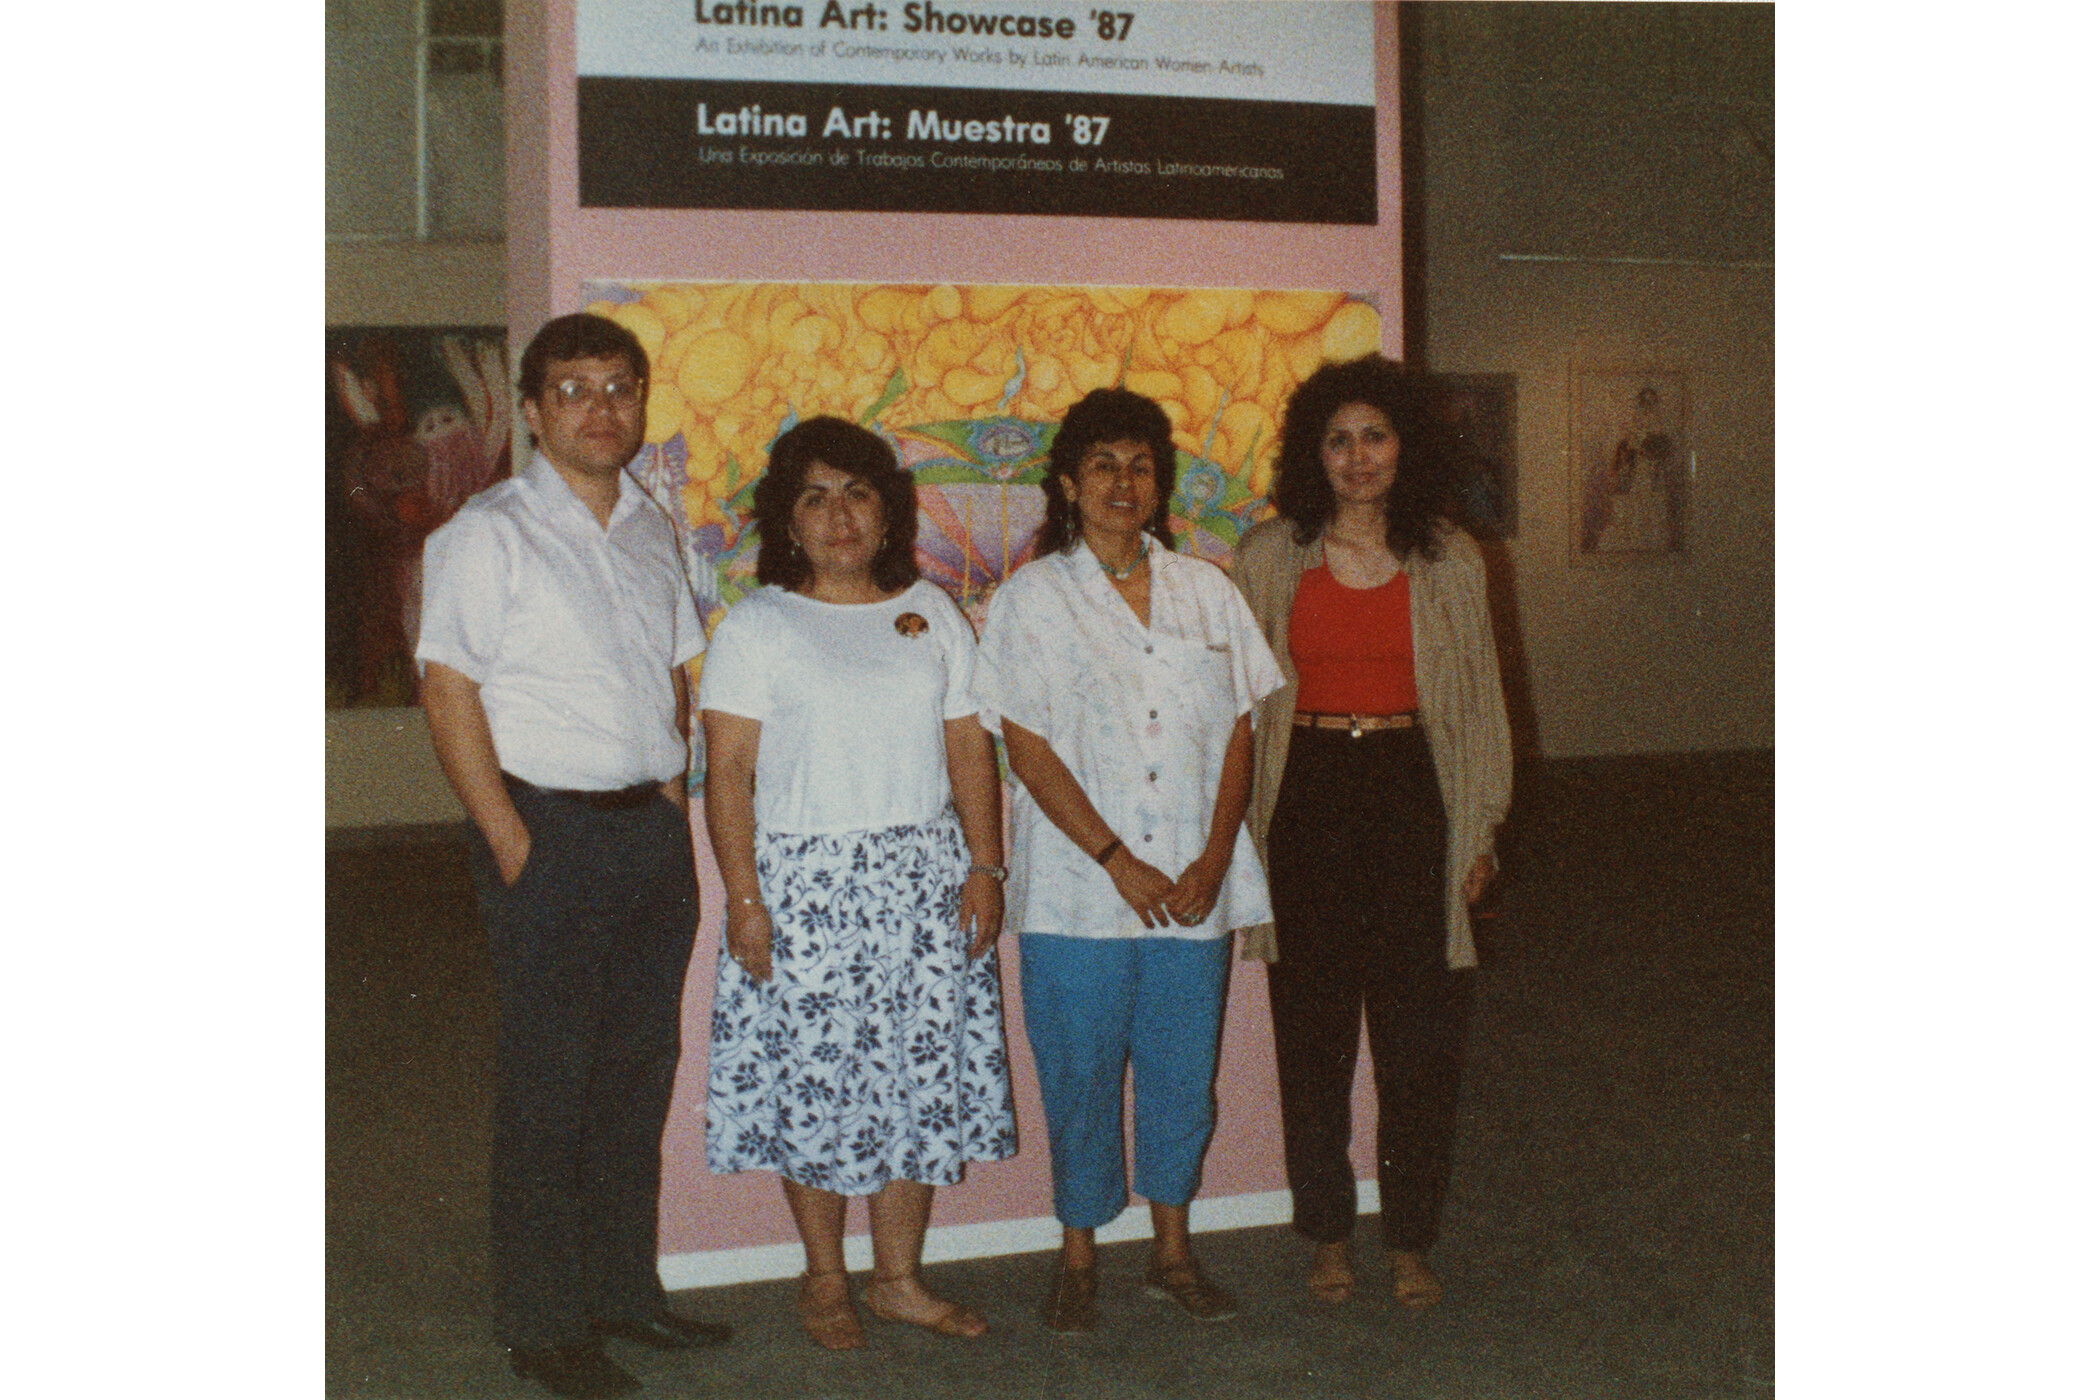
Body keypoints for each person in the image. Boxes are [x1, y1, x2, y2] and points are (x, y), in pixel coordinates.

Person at [417, 313, 731, 1400]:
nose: (603, 407)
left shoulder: (651, 524)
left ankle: (619, 1290)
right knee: (550, 1084)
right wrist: (508, 832)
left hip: (645, 832)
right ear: (539, 408)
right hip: (545, 831)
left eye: (621, 386)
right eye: (576, 388)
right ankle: (544, 1324)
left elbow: (681, 663)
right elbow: (447, 685)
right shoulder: (486, 532)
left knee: (635, 1072)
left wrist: (666, 782)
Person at [698, 416, 1016, 1351]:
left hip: (923, 882)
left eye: (859, 493)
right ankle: (827, 1278)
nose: (839, 515)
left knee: (918, 1083)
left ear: (888, 512)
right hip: (804, 889)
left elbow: (969, 746)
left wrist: (986, 868)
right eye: (814, 496)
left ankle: (899, 1281)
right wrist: (744, 900)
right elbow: (729, 775)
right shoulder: (758, 626)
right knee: (817, 1086)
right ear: (787, 521)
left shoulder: (932, 613)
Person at [975, 388, 1283, 1333]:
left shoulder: (1207, 591)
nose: (1123, 482)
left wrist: (1214, 853)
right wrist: (1114, 857)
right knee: (1078, 1072)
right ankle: (1077, 1257)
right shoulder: (1032, 598)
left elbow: (1242, 730)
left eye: (1141, 465)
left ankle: (1174, 1252)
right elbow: (1025, 744)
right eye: (1103, 464)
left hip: (1196, 885)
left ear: (1160, 483)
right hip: (1078, 892)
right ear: (1068, 483)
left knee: (1182, 1074)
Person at [1230, 353, 1513, 1309]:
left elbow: (1479, 705)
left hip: (1413, 793)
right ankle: (1325, 1234)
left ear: (1406, 447)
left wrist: (1479, 830)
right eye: (1339, 439)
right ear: (1315, 454)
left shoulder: (1450, 557)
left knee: (1418, 1038)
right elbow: (1241, 706)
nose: (1358, 458)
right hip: (1306, 794)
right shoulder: (1270, 555)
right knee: (1311, 1035)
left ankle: (1412, 1238)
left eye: (1376, 437)